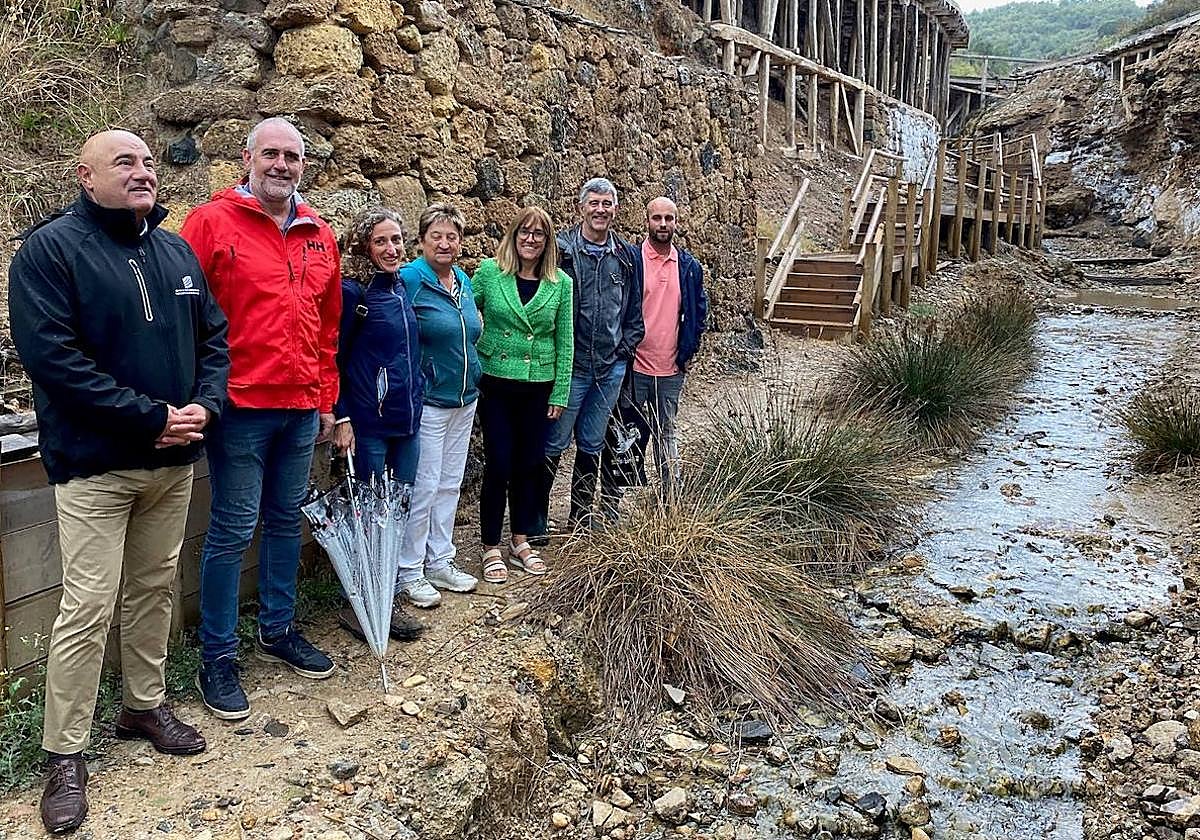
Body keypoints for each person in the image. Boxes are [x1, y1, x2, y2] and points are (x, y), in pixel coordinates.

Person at [7, 130, 229, 834]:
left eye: (148, 163)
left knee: (155, 588)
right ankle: (65, 754)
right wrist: (149, 417)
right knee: (87, 606)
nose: (143, 172)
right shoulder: (50, 251)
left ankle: (143, 704)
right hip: (96, 466)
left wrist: (207, 404)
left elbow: (215, 339)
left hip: (171, 466)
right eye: (124, 163)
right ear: (86, 176)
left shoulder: (173, 250)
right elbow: (54, 361)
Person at [180, 117, 342, 721]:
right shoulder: (210, 223)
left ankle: (278, 630)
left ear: (303, 165)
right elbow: (186, 316)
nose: (281, 164)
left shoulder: (318, 233)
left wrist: (326, 398)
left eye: (292, 156)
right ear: (246, 158)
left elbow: (328, 328)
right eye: (270, 153)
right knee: (232, 526)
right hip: (240, 405)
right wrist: (200, 393)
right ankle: (218, 656)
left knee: (283, 521)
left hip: (300, 408)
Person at [331, 206, 427, 642]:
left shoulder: (403, 287)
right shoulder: (355, 295)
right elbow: (335, 357)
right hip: (369, 421)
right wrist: (344, 414)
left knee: (398, 510)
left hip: (407, 419)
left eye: (397, 240)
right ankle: (363, 603)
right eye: (381, 242)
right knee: (369, 514)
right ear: (364, 247)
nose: (392, 249)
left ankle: (385, 594)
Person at [471, 206, 574, 584]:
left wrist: (560, 391)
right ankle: (490, 545)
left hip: (538, 385)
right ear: (514, 235)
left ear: (548, 242)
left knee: (529, 464)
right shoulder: (488, 273)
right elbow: (463, 310)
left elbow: (565, 341)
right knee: (499, 463)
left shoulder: (561, 284)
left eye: (540, 234)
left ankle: (520, 539)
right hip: (497, 383)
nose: (531, 239)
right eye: (525, 232)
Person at [537, 177, 644, 534]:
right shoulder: (562, 250)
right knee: (554, 441)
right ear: (581, 207)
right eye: (594, 203)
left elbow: (633, 312)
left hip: (609, 368)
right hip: (571, 367)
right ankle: (535, 520)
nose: (600, 210)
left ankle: (580, 518)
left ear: (616, 209)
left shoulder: (625, 256)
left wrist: (624, 352)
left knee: (593, 442)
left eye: (607, 204)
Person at [397, 203, 483, 607]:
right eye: (437, 236)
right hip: (431, 401)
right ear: (422, 240)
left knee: (450, 483)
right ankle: (409, 570)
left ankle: (440, 560)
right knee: (425, 485)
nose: (445, 243)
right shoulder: (411, 280)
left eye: (452, 237)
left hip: (464, 398)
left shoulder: (462, 280)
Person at [602, 197, 708, 501]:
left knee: (667, 433)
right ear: (646, 220)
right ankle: (611, 505)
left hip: (671, 367)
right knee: (623, 435)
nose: (663, 224)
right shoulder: (631, 261)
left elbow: (698, 312)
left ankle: (670, 502)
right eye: (657, 218)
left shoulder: (688, 267)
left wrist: (688, 350)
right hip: (634, 366)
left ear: (676, 222)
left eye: (669, 218)